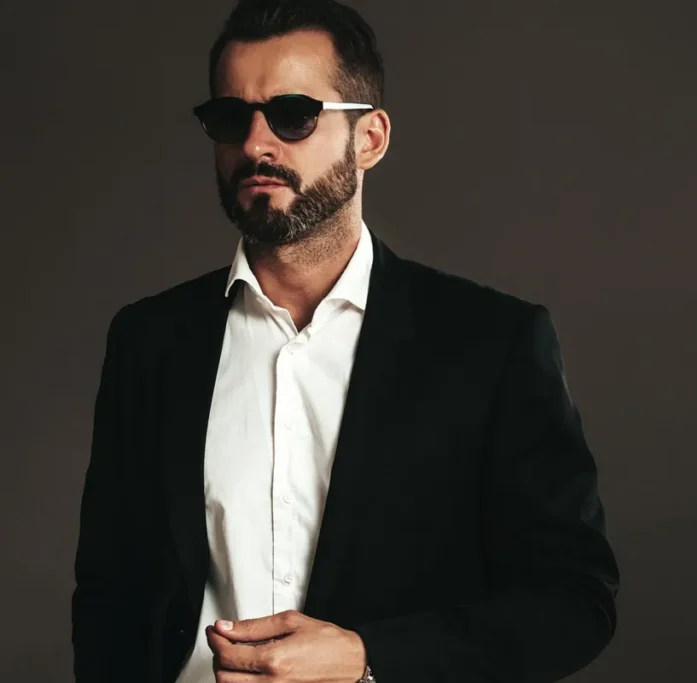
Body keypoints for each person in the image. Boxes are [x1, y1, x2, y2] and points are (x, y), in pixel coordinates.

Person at [71, 1, 620, 681]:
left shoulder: (492, 344)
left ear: (370, 139)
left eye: (293, 114)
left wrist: (368, 659)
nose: (256, 144)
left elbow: (574, 600)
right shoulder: (149, 341)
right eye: (231, 117)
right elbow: (109, 591)